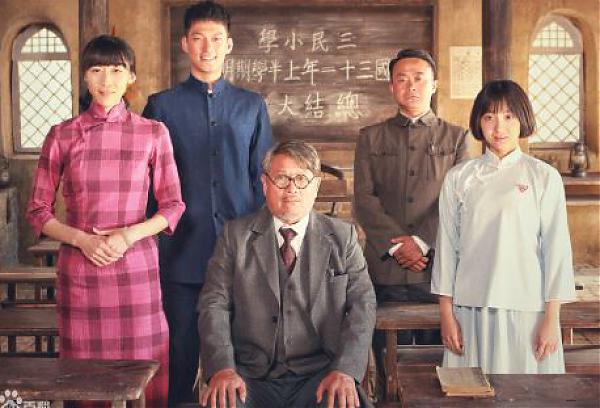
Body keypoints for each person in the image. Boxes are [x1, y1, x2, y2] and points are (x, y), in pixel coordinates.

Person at [26, 35, 185, 407]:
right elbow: (38, 210)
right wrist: (83, 240)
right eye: (96, 70)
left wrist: (128, 235)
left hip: (136, 271)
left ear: (131, 76)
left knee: (146, 368)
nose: (106, 80)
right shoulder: (61, 135)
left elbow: (173, 206)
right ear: (84, 76)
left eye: (116, 70)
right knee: (85, 378)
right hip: (82, 273)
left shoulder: (153, 133)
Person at [142, 1, 273, 404]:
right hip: (181, 248)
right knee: (180, 352)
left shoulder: (252, 105)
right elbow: (148, 185)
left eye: (216, 38)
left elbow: (262, 180)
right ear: (184, 43)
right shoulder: (161, 106)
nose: (207, 47)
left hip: (241, 251)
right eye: (198, 38)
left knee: (240, 357)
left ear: (229, 44)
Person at [198, 140, 376, 408]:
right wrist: (223, 368)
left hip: (321, 374)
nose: (292, 188)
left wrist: (345, 370)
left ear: (316, 186)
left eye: (301, 179)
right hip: (249, 376)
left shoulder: (343, 237)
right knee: (221, 403)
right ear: (265, 184)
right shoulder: (235, 236)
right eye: (282, 178)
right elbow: (214, 303)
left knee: (345, 402)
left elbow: (363, 305)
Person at [432, 79, 576, 374]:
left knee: (529, 392)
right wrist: (446, 314)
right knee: (473, 390)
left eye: (509, 116)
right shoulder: (459, 177)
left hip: (528, 308)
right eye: (489, 117)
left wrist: (552, 318)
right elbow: (447, 247)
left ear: (523, 119)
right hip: (470, 308)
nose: (499, 127)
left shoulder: (543, 176)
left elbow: (556, 250)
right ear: (478, 122)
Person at [353, 49, 468, 381]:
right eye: (402, 79)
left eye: (419, 78)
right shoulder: (371, 137)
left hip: (438, 269)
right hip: (385, 269)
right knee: (388, 364)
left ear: (434, 85)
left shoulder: (456, 137)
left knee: (438, 365)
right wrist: (399, 246)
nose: (411, 86)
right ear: (392, 87)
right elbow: (364, 199)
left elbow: (459, 200)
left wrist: (420, 242)